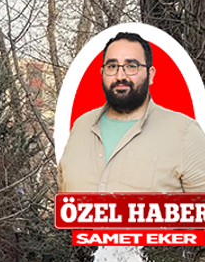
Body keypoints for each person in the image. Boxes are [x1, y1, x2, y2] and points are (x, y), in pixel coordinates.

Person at [58, 31, 205, 194]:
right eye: (112, 66)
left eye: (131, 66)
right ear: (102, 74)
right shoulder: (80, 127)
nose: (120, 76)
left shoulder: (185, 133)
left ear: (150, 75)